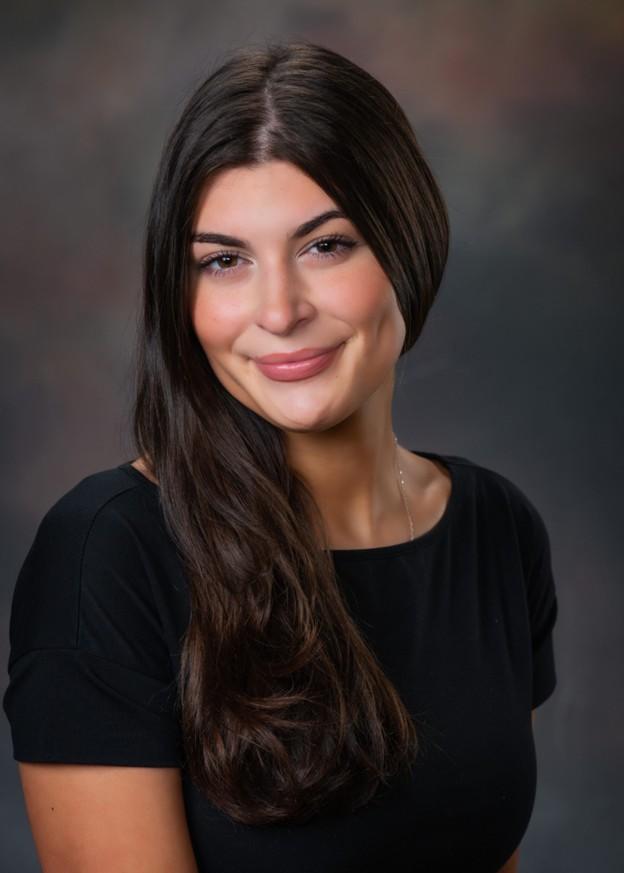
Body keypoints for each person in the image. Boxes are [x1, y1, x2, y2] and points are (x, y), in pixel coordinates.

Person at [3, 40, 558, 873]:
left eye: (324, 245)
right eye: (224, 261)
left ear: (407, 244)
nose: (278, 309)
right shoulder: (108, 555)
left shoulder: (497, 528)